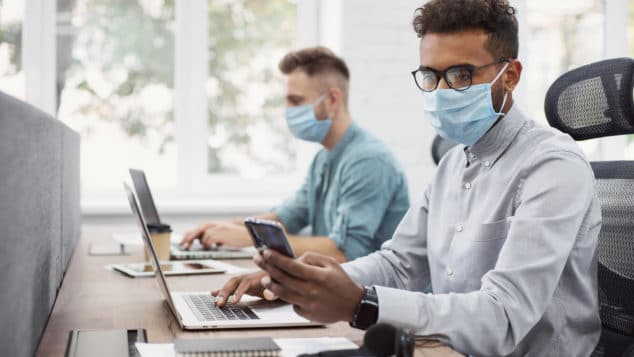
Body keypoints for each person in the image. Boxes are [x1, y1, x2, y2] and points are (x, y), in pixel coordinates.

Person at [213, 1, 602, 356]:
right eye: (431, 76)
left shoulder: (553, 166)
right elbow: (400, 264)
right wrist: (302, 281)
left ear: (511, 75)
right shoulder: (452, 164)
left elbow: (503, 317)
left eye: (462, 74)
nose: (443, 90)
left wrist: (362, 304)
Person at [180, 46, 409, 263]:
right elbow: (286, 218)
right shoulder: (324, 158)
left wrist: (251, 237)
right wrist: (222, 227)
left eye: (296, 101)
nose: (288, 111)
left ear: (331, 100)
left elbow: (344, 251)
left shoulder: (368, 161)